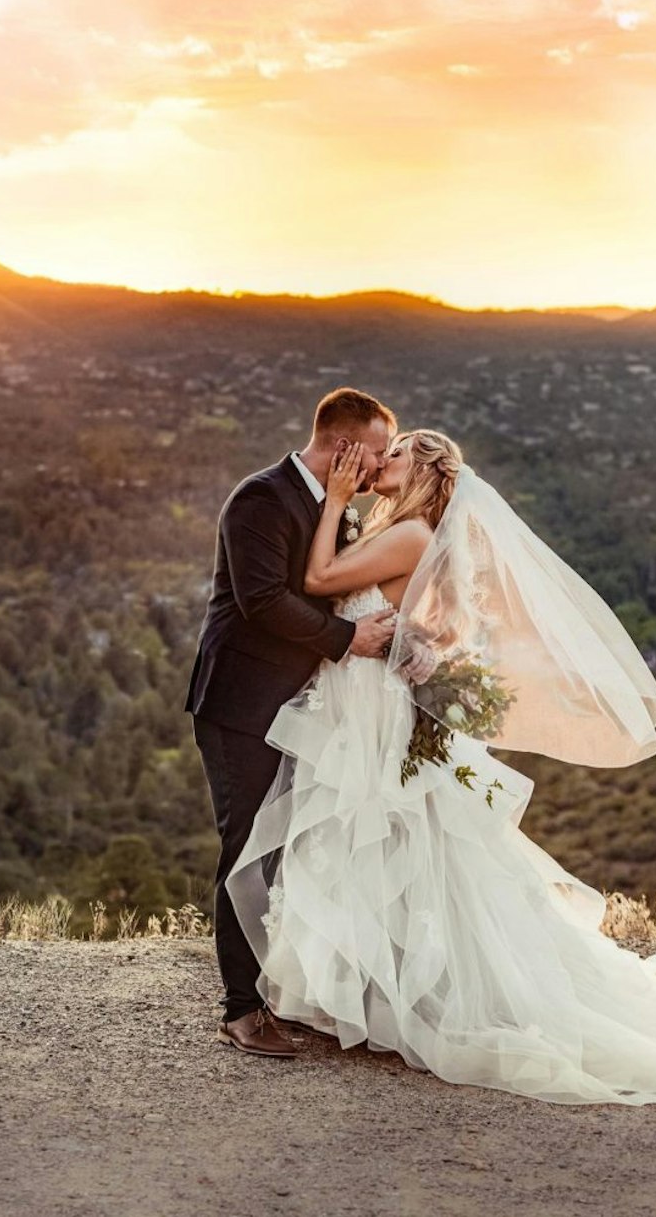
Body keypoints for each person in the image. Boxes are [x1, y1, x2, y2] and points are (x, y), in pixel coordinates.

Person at [225, 429, 656, 1105]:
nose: (382, 460)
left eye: (396, 453)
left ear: (426, 473)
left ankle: (412, 999)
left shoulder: (407, 537)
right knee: (388, 846)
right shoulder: (412, 534)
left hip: (372, 714)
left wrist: (336, 497)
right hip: (366, 709)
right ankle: (381, 995)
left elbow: (318, 580)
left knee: (394, 842)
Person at [185, 388, 400, 1057]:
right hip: (242, 702)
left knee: (284, 851)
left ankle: (281, 993)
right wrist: (346, 639)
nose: (379, 469)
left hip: (299, 709)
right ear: (345, 447)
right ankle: (241, 1011)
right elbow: (261, 601)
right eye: (376, 454)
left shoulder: (334, 508)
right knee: (246, 849)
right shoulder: (262, 498)